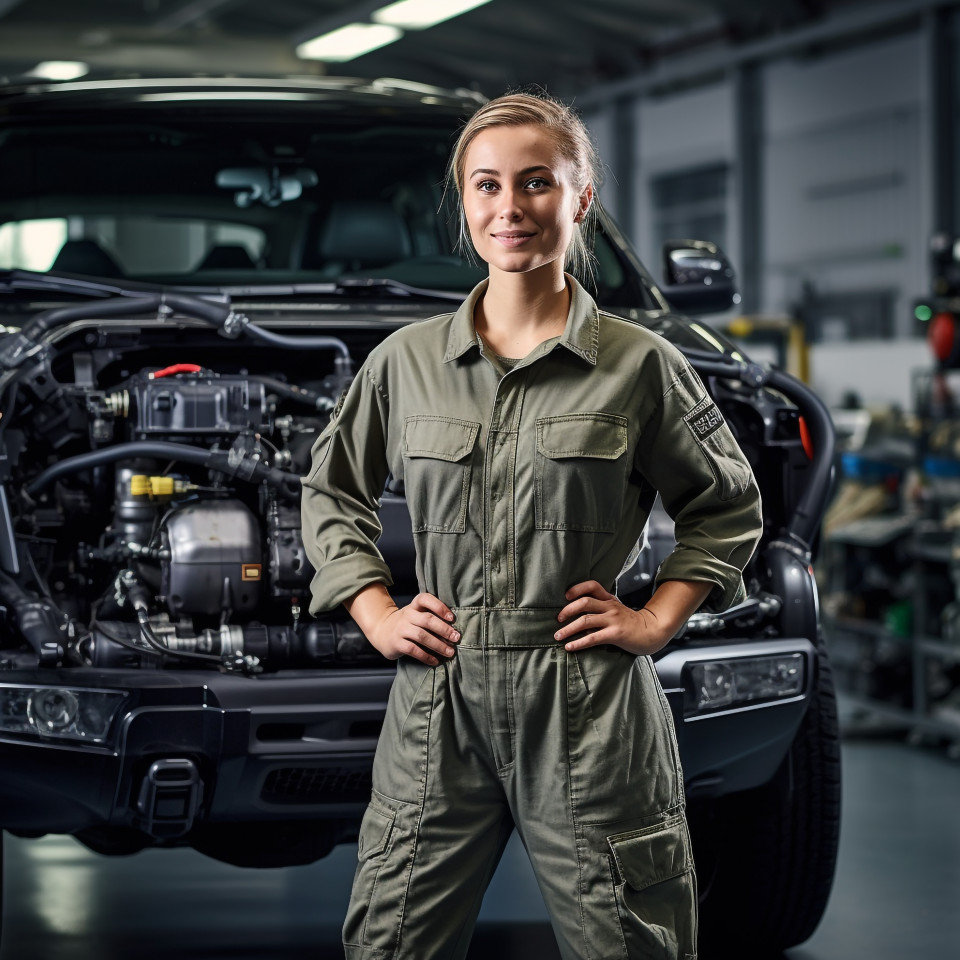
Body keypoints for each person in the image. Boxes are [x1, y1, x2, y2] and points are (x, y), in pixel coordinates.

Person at [301, 91, 762, 960]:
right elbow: (331, 493)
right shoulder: (405, 363)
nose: (510, 208)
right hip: (441, 699)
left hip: (587, 698)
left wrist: (658, 616)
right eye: (486, 186)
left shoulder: (639, 364)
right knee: (392, 942)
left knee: (630, 942)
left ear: (580, 197)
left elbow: (726, 502)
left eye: (537, 182)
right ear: (465, 203)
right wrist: (375, 612)